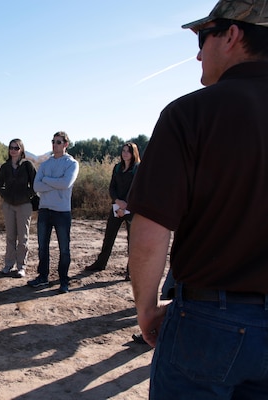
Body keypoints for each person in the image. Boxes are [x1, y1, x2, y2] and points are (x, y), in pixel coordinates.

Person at [127, 1, 268, 398]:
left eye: (204, 38)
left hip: (209, 322)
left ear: (233, 34)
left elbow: (151, 229)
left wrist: (147, 309)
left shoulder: (189, 114)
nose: (198, 53)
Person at [27, 131, 79, 294]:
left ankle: (63, 281)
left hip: (62, 212)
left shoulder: (72, 163)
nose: (54, 144)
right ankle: (43, 277)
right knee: (43, 246)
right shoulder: (45, 164)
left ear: (65, 144)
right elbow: (36, 187)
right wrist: (55, 183)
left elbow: (66, 183)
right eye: (53, 141)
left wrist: (47, 181)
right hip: (45, 210)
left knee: (64, 248)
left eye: (58, 142)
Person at [85, 142, 141, 280]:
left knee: (132, 241)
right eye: (123, 150)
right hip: (117, 206)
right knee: (109, 236)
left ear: (134, 153)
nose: (125, 153)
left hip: (132, 208)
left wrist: (125, 205)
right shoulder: (117, 168)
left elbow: (137, 189)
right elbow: (112, 187)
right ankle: (100, 263)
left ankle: (131, 271)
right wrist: (117, 201)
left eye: (128, 151)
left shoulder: (138, 168)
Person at [0, 139, 37, 278]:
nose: (13, 150)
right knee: (10, 236)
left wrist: (26, 196)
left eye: (16, 148)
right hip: (8, 205)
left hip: (24, 205)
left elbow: (35, 184)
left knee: (23, 237)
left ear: (21, 150)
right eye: (11, 148)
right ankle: (8, 264)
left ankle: (21, 266)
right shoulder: (5, 167)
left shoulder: (27, 165)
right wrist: (5, 195)